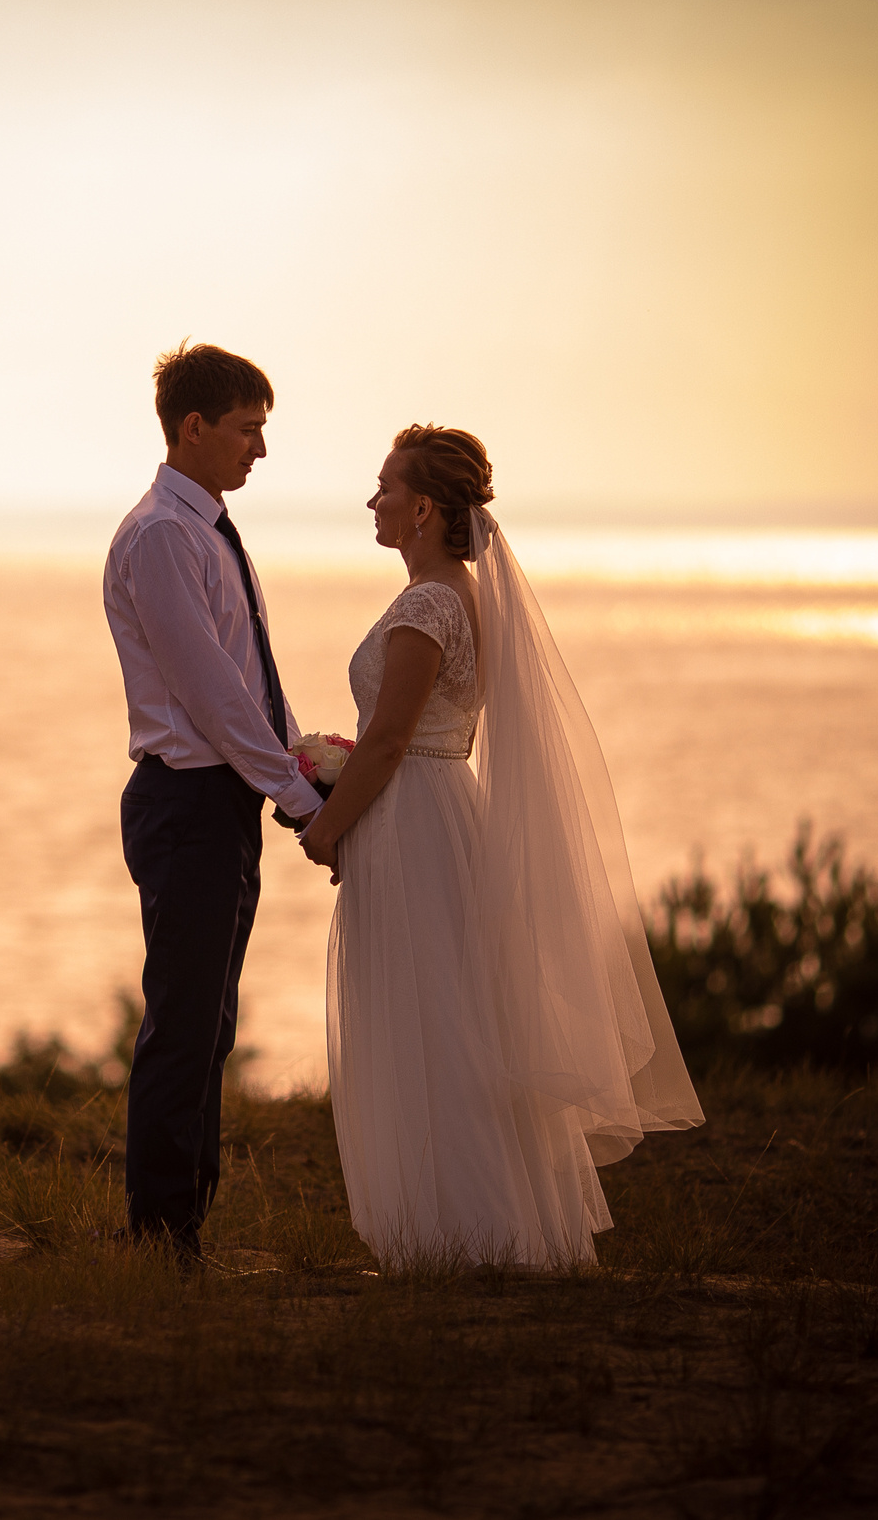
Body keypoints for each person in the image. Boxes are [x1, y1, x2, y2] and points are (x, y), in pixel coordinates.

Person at [297, 425, 704, 1267]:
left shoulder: (428, 605)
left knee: (434, 1020)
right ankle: (476, 1227)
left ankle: (467, 1233)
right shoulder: (466, 594)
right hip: (443, 805)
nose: (371, 502)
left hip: (415, 820)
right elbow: (407, 737)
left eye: (384, 487)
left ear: (422, 508)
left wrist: (326, 824)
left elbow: (388, 744)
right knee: (456, 1013)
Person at [102, 343, 330, 1261]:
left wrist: (300, 764)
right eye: (248, 429)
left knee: (212, 1022)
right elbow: (210, 695)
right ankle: (160, 1232)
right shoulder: (163, 536)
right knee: (185, 1019)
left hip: (220, 803)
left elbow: (248, 683)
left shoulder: (208, 531)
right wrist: (299, 797)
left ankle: (182, 1221)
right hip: (187, 803)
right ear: (192, 428)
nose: (260, 450)